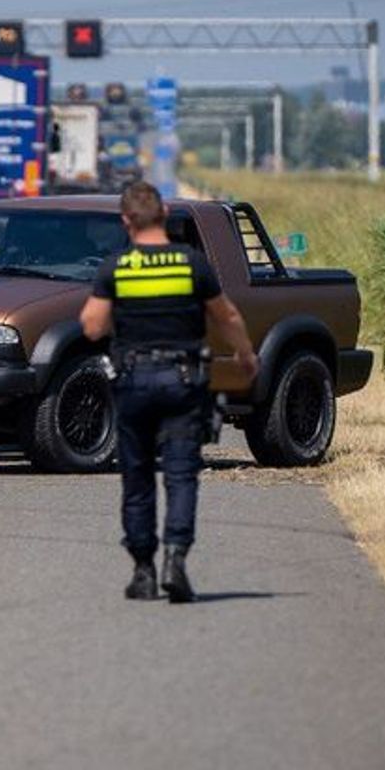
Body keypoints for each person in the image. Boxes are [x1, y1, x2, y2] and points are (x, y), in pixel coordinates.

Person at [80, 182, 257, 603]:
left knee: (137, 476)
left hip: (134, 381)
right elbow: (226, 314)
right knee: (180, 475)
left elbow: (91, 326)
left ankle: (142, 570)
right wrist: (246, 355)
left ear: (126, 221)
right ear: (163, 215)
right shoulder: (191, 263)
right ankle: (175, 559)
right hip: (182, 381)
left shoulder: (116, 267)